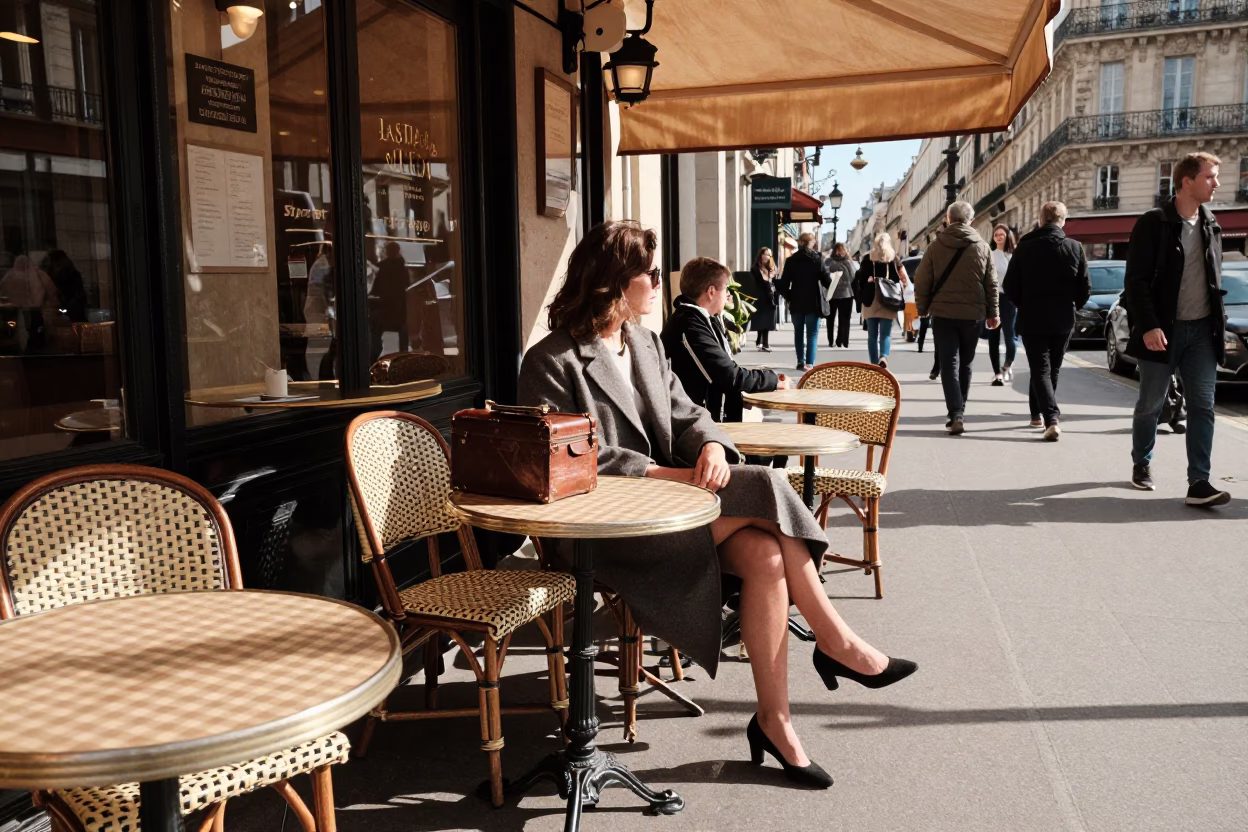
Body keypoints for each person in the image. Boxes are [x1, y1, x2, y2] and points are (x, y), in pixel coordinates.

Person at [520, 221, 916, 787]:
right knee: (771, 489)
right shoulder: (552, 359)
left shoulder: (646, 343)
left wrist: (709, 444)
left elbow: (688, 414)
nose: (662, 283)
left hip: (674, 514)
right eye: (652, 274)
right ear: (614, 281)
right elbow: (569, 458)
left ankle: (775, 721)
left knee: (768, 558)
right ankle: (835, 642)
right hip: (602, 531)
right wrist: (673, 474)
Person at [1124, 151, 1230, 506]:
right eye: (1210, 177)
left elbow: (1214, 282)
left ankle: (1199, 481)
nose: (1217, 183)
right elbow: (1136, 282)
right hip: (1162, 331)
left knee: (1203, 405)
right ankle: (1142, 463)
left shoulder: (1212, 224)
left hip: (1201, 331)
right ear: (1187, 181)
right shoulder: (1154, 222)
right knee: (1151, 404)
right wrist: (1149, 326)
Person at [1003, 201, 1090, 442]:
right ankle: (1041, 415)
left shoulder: (1024, 247)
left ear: (1041, 220)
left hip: (1032, 317)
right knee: (1051, 369)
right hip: (1063, 318)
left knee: (1039, 369)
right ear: (1063, 220)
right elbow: (1084, 289)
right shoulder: (1075, 247)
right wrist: (1072, 306)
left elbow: (1009, 286)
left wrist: (1024, 303)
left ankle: (1047, 417)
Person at [913, 201, 999, 435]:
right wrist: (994, 313)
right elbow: (991, 283)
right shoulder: (982, 246)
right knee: (966, 363)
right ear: (971, 220)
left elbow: (922, 280)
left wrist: (922, 308)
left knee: (949, 363)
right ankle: (960, 409)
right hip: (973, 314)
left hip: (943, 313)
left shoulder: (936, 246)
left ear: (948, 219)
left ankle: (955, 413)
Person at [775, 232, 831, 371]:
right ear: (812, 244)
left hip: (796, 301)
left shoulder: (791, 260)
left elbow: (783, 284)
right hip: (814, 302)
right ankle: (809, 363)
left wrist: (789, 296)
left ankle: (800, 361)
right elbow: (827, 281)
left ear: (800, 243)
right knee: (812, 334)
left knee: (798, 333)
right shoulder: (818, 259)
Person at [855, 232, 908, 368]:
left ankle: (873, 363)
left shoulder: (868, 257)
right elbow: (901, 278)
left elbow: (860, 278)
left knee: (872, 335)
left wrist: (869, 280)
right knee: (885, 334)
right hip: (888, 299)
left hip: (871, 299)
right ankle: (883, 356)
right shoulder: (893, 258)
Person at [986, 225, 1018, 387]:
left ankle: (1007, 365)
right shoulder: (990, 255)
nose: (999, 237)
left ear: (1007, 236)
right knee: (993, 337)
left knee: (1010, 337)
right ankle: (997, 374)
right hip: (993, 298)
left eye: (1002, 234)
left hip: (1009, 299)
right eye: (996, 235)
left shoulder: (1014, 256)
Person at [824, 243, 857, 348]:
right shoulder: (848, 262)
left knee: (831, 318)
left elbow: (824, 275)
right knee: (845, 319)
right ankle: (843, 341)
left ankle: (831, 340)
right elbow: (853, 276)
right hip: (846, 293)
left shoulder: (828, 262)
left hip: (832, 293)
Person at [748, 247, 779, 351]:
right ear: (761, 255)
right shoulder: (755, 268)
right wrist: (770, 276)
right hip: (761, 297)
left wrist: (773, 276)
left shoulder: (772, 268)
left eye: (769, 255)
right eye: (765, 254)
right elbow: (761, 282)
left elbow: (775, 282)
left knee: (768, 320)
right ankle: (760, 341)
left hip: (770, 297)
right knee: (761, 320)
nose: (767, 256)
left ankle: (765, 343)